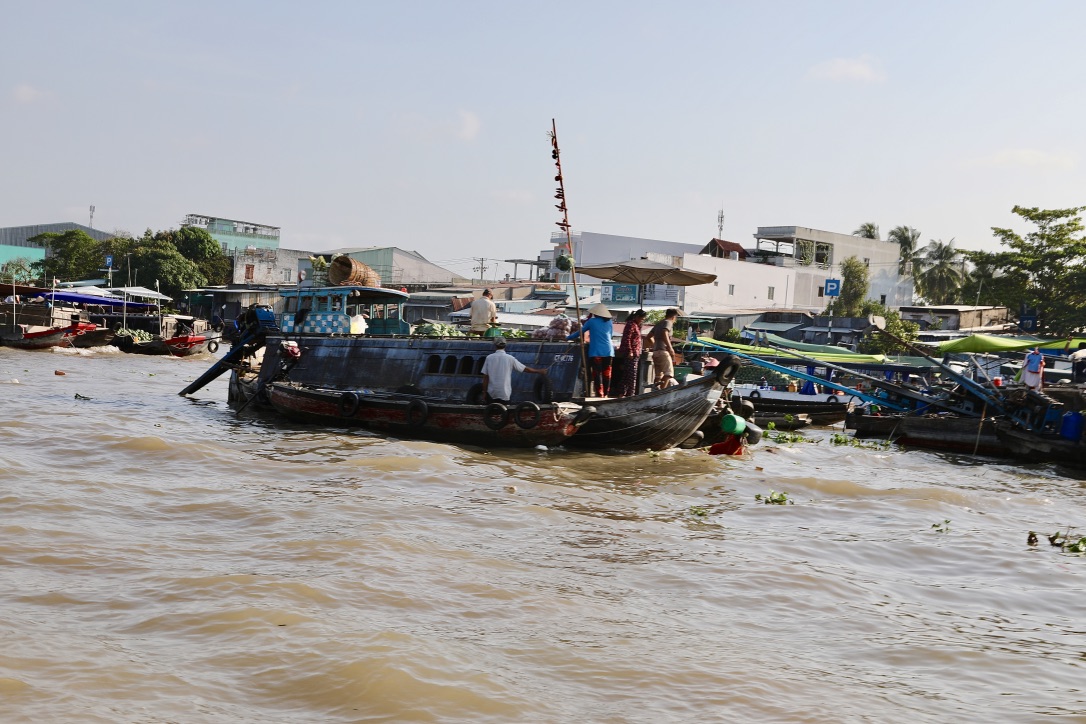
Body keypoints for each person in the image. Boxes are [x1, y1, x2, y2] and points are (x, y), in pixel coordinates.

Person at [567, 303, 615, 397]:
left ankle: (600, 394)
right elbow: (611, 335)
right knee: (607, 373)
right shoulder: (609, 322)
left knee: (597, 373)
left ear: (595, 313)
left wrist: (568, 337)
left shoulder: (592, 321)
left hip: (596, 351)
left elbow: (581, 332)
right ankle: (606, 394)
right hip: (609, 350)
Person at [480, 337, 547, 404]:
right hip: (504, 392)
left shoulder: (489, 358)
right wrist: (539, 371)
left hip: (492, 392)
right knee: (504, 412)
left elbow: (485, 377)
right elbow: (525, 369)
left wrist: (484, 392)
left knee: (491, 412)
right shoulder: (510, 358)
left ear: (495, 345)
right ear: (505, 346)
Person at [613, 308, 647, 398]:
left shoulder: (636, 325)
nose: (642, 320)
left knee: (627, 375)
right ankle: (630, 395)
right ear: (637, 317)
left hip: (635, 352)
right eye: (642, 319)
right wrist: (630, 351)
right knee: (632, 375)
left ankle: (622, 393)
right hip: (631, 353)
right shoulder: (631, 324)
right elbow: (627, 338)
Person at [647, 308, 681, 388]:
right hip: (663, 352)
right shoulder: (668, 322)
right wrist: (670, 348)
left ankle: (654, 391)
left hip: (656, 353)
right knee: (669, 374)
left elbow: (648, 337)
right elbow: (664, 333)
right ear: (673, 317)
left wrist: (655, 345)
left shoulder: (659, 324)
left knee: (658, 375)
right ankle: (662, 392)